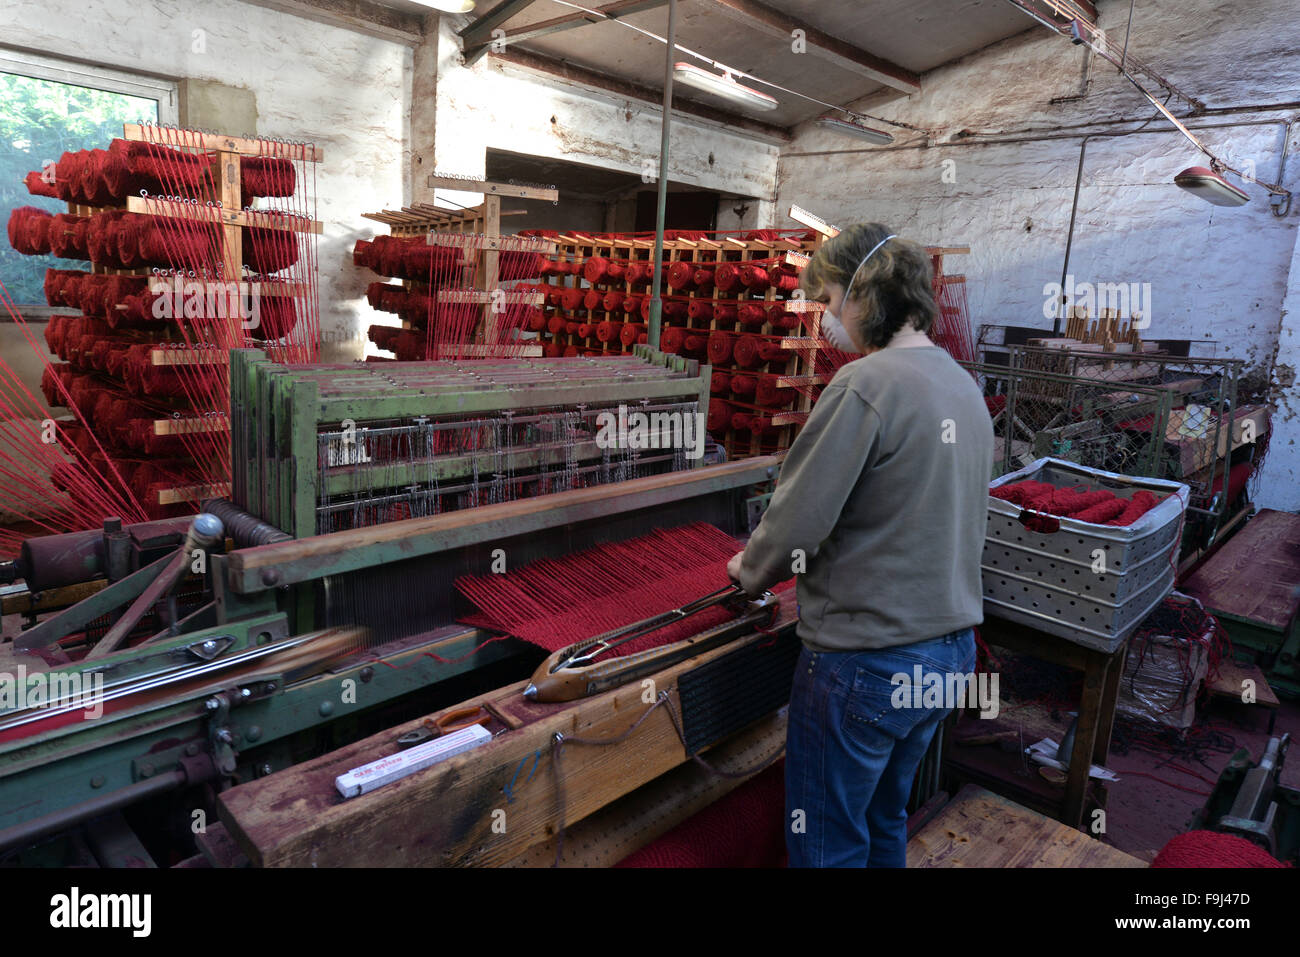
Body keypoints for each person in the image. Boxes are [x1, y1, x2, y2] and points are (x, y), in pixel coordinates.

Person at [726, 223, 993, 868]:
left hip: (868, 663)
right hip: (947, 654)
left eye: (827, 300)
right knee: (882, 819)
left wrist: (748, 571)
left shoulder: (864, 386)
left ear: (863, 292)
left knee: (828, 844)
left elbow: (799, 521)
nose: (826, 319)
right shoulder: (962, 385)